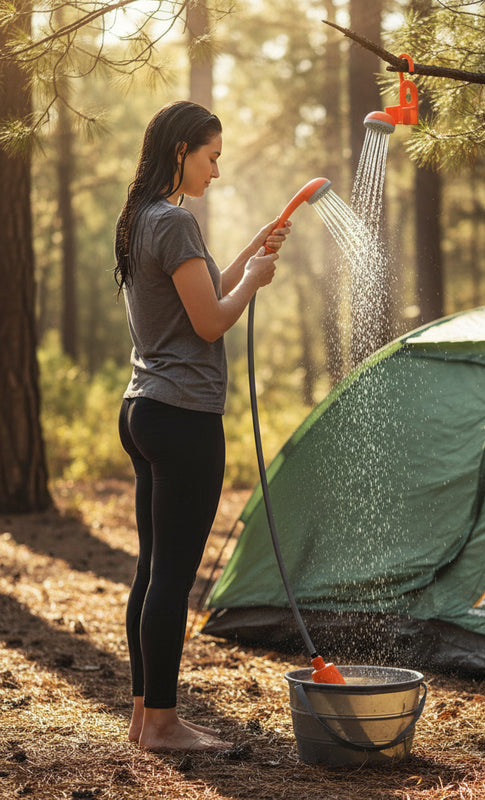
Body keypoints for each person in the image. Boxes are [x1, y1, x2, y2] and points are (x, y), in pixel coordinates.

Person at [114, 100, 290, 752]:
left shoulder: (141, 218)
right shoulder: (176, 222)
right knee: (171, 578)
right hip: (184, 417)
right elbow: (212, 319)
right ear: (183, 149)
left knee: (151, 571)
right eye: (212, 157)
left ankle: (142, 716)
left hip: (144, 409)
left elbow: (199, 293)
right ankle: (161, 722)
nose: (217, 170)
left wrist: (250, 252)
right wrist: (255, 281)